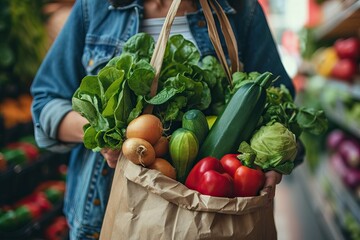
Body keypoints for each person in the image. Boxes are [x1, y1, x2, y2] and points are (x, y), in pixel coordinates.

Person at [31, 0, 295, 238]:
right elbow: (46, 102)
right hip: (106, 215)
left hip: (217, 215)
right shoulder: (96, 7)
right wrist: (103, 134)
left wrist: (273, 160)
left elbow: (282, 104)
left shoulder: (240, 9)